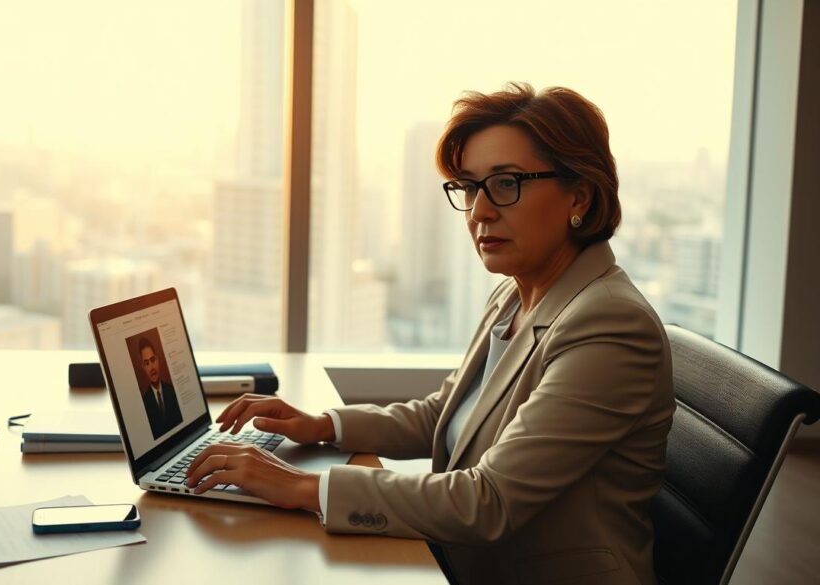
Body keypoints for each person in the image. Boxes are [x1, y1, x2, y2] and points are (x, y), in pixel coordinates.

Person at [186, 83, 675, 585]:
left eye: (506, 183)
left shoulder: (609, 325)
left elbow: (488, 501)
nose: (480, 211)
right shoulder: (517, 294)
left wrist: (301, 487)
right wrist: (322, 426)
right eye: (469, 187)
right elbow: (442, 414)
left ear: (581, 194)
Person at [134, 337, 182, 439]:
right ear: (143, 368)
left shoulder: (173, 391)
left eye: (152, 360)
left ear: (158, 360)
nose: (151, 367)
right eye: (147, 363)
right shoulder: (144, 402)